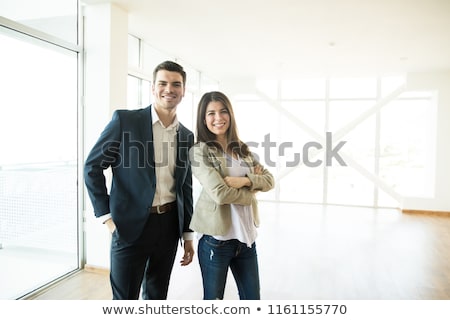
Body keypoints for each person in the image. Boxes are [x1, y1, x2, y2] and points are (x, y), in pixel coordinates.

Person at [84, 60, 195, 300]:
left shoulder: (186, 135)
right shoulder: (125, 121)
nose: (169, 89)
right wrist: (107, 219)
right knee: (125, 299)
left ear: (183, 91)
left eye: (176, 84)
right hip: (129, 226)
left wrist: (187, 234)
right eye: (163, 83)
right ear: (153, 88)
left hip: (168, 228)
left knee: (157, 296)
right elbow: (92, 167)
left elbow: (185, 187)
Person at [189, 91, 275, 300]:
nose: (218, 118)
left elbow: (270, 180)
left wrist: (244, 180)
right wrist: (252, 192)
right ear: (203, 119)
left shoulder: (243, 150)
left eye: (223, 111)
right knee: (213, 302)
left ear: (230, 114)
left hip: (246, 240)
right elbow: (220, 194)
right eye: (211, 113)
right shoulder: (200, 151)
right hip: (217, 242)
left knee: (252, 300)